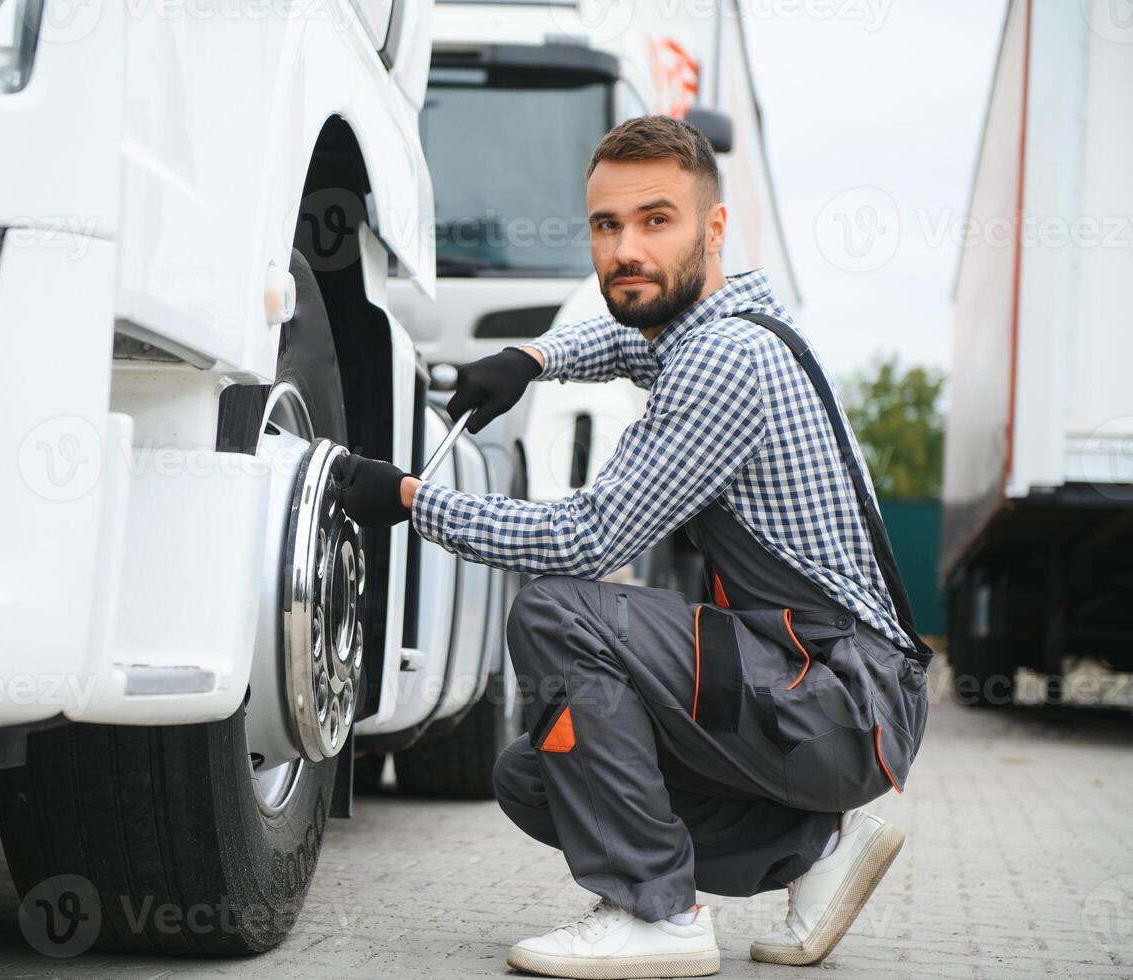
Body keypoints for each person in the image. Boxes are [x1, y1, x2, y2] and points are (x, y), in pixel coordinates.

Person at [330, 115, 931, 979]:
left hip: (837, 699)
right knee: (538, 777)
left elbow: (586, 538)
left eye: (656, 221)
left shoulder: (726, 359)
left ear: (712, 229)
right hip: (817, 690)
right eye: (606, 227)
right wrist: (532, 357)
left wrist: (414, 499)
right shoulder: (723, 320)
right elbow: (625, 336)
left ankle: (659, 913)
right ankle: (816, 847)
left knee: (560, 611)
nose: (626, 250)